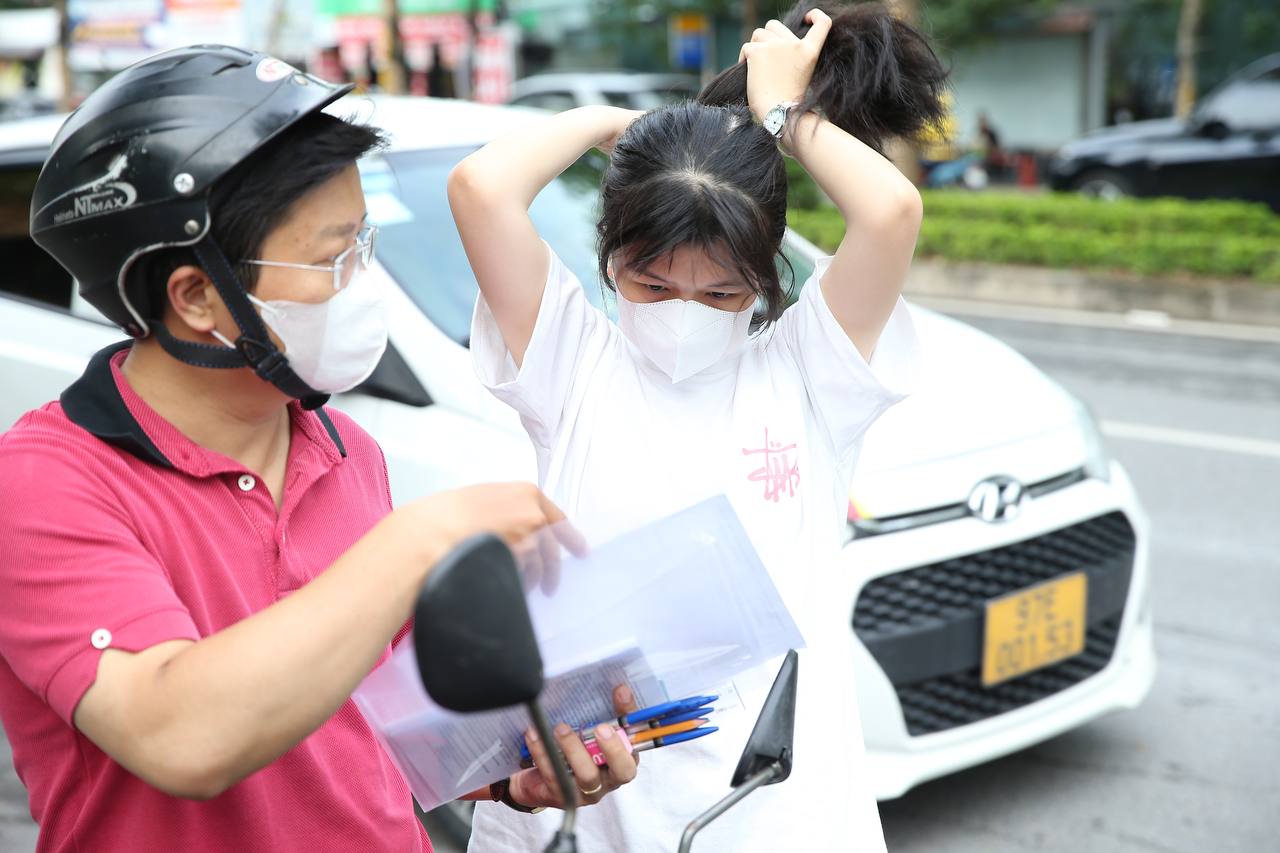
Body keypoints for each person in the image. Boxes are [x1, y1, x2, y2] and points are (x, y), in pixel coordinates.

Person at [0, 45, 638, 853]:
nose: (361, 282)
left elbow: (379, 722)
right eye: (333, 256)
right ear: (197, 297)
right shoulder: (48, 481)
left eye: (364, 244)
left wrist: (515, 763)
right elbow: (176, 735)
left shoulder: (344, 448)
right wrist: (422, 541)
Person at [449, 1, 947, 850]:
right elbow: (481, 188)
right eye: (651, 285)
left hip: (768, 805)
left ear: (766, 277)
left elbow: (892, 212)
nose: (686, 313)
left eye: (722, 293)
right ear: (608, 263)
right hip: (584, 799)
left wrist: (783, 117)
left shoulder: (808, 372)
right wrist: (621, 126)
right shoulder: (572, 363)